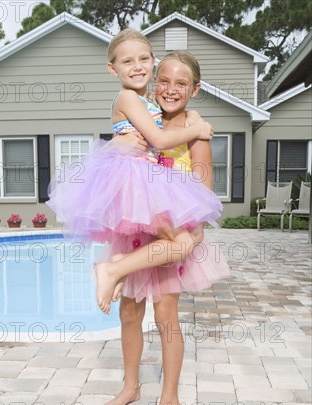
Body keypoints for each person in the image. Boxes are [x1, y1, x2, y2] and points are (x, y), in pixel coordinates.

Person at [47, 29, 224, 314]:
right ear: (112, 68)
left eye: (143, 59)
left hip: (145, 178)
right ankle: (112, 269)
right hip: (137, 179)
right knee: (182, 243)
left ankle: (119, 268)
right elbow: (160, 140)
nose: (137, 66)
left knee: (176, 243)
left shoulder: (149, 101)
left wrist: (193, 116)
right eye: (127, 61)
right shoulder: (128, 97)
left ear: (153, 61)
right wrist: (198, 128)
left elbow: (171, 106)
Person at [103, 51, 230, 405]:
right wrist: (117, 147)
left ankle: (170, 400)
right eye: (164, 80)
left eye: (181, 83)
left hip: (171, 235)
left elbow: (204, 195)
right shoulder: (143, 122)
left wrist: (192, 232)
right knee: (129, 312)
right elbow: (114, 165)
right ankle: (131, 386)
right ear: (154, 82)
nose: (170, 89)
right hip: (137, 233)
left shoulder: (197, 135)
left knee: (164, 316)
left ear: (194, 89)